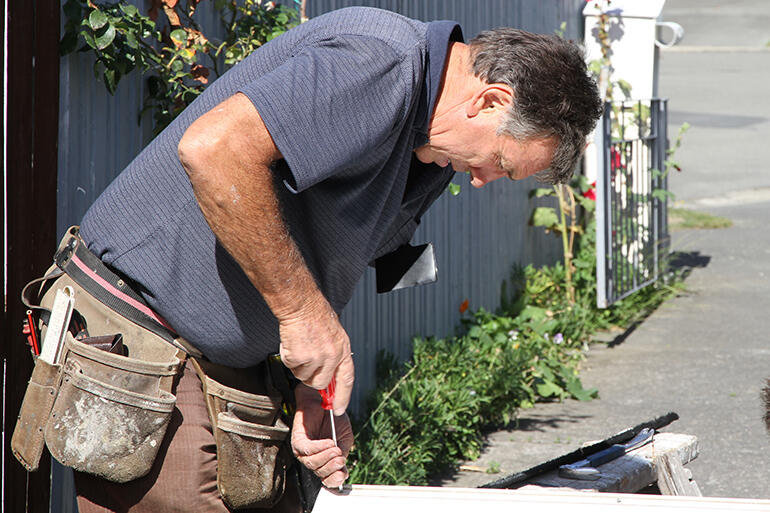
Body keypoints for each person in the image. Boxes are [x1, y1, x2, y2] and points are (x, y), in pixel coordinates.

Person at [65, 6, 601, 512]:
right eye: (501, 163)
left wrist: (315, 386)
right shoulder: (381, 61)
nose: (483, 179)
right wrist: (303, 317)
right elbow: (213, 149)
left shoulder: (434, 152)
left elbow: (327, 257)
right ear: (488, 101)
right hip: (141, 332)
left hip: (229, 361)